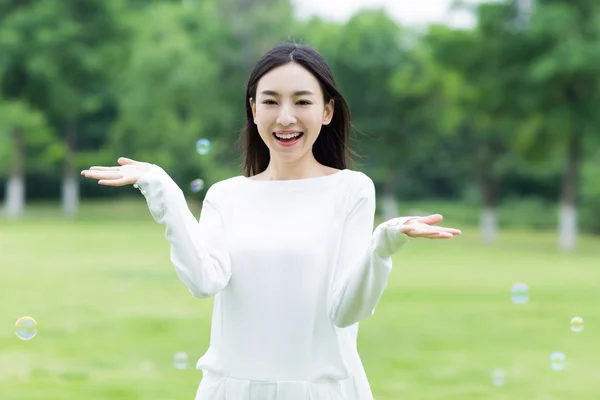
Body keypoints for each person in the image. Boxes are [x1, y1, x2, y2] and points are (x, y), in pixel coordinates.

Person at [81, 43, 461, 400]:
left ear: (327, 111)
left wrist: (384, 245)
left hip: (318, 389)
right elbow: (203, 281)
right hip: (231, 389)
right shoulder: (225, 195)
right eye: (271, 101)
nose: (285, 117)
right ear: (253, 109)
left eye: (302, 102)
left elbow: (345, 310)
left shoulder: (351, 190)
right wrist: (163, 190)